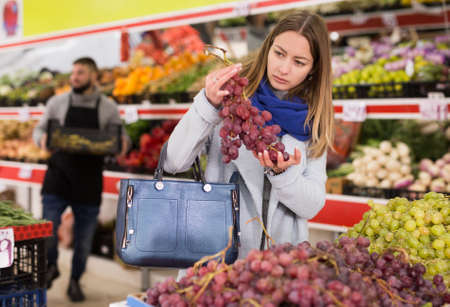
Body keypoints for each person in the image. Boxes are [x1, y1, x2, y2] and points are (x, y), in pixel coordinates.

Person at [164, 11, 334, 260]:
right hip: (218, 260)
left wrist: (282, 175)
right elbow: (174, 162)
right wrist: (206, 107)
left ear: (313, 69)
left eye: (299, 62)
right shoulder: (231, 101)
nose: (283, 69)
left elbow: (312, 206)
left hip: (278, 269)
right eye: (279, 53)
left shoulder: (312, 121)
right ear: (268, 48)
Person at [33, 57, 130, 302]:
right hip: (58, 177)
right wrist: (42, 139)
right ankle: (52, 265)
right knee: (48, 228)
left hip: (89, 180)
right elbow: (39, 130)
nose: (75, 77)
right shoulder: (57, 102)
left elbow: (122, 138)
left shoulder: (107, 107)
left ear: (94, 76)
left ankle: (75, 280)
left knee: (84, 240)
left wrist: (123, 145)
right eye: (73, 72)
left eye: (81, 72)